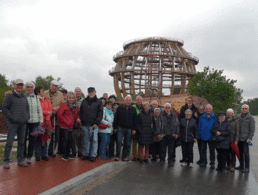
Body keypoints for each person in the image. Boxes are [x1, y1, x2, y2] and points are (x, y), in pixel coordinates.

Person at [2, 79, 30, 168]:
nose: (19, 87)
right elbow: (4, 108)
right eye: (18, 85)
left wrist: (27, 117)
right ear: (14, 85)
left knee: (22, 143)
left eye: (21, 85)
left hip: (23, 123)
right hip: (13, 123)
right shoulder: (9, 96)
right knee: (9, 143)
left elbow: (27, 108)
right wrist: (12, 118)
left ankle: (21, 160)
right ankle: (6, 161)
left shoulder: (24, 96)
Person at [80, 87, 103, 162]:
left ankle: (93, 155)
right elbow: (81, 112)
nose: (91, 93)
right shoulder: (84, 101)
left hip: (94, 125)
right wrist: (82, 121)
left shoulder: (99, 102)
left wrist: (97, 123)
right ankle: (86, 154)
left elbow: (100, 114)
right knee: (86, 140)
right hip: (85, 124)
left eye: (92, 91)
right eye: (89, 91)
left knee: (94, 140)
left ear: (95, 92)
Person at [24, 82, 43, 164]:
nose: (29, 88)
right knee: (23, 139)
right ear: (25, 88)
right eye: (28, 87)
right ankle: (22, 155)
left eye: (31, 87)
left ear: (33, 88)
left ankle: (29, 156)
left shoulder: (36, 97)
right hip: (24, 121)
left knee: (32, 139)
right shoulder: (23, 96)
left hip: (34, 121)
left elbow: (39, 109)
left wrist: (41, 120)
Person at [58, 92, 80, 160]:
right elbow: (59, 115)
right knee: (65, 140)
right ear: (67, 98)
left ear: (74, 98)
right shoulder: (63, 104)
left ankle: (68, 153)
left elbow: (77, 114)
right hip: (64, 126)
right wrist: (66, 121)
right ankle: (64, 154)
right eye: (69, 98)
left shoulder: (76, 106)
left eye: (72, 98)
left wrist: (78, 118)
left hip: (72, 126)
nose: (71, 99)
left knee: (70, 140)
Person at [44, 80, 64, 157]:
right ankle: (43, 152)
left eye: (56, 86)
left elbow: (63, 104)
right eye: (53, 85)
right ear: (50, 85)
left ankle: (51, 151)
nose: (54, 87)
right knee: (45, 134)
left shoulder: (60, 94)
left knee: (55, 135)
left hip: (56, 118)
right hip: (46, 117)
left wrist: (57, 108)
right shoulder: (45, 93)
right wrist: (50, 109)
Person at [113, 96, 137, 161]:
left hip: (129, 128)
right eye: (127, 100)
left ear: (131, 101)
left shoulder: (133, 109)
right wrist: (115, 127)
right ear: (124, 101)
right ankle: (117, 156)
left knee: (127, 143)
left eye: (129, 100)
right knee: (119, 141)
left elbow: (135, 120)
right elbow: (116, 118)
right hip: (120, 127)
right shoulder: (120, 108)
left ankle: (124, 156)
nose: (128, 101)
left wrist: (134, 129)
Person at [34, 85, 53, 161]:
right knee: (38, 139)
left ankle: (44, 154)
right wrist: (46, 113)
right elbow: (38, 111)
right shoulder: (35, 100)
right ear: (38, 92)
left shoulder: (47, 100)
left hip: (47, 122)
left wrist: (48, 118)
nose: (43, 92)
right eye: (42, 91)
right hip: (39, 122)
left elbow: (50, 110)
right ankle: (37, 155)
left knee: (45, 139)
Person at [236, 104, 255, 173]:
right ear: (241, 109)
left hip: (246, 139)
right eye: (243, 108)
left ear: (248, 109)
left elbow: (252, 129)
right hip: (239, 138)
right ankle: (241, 166)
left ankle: (247, 167)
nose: (244, 109)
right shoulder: (238, 116)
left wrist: (250, 138)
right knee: (240, 153)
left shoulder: (250, 118)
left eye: (245, 108)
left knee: (246, 153)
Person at [198, 104, 218, 168]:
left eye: (209, 108)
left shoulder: (215, 117)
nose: (208, 110)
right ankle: (204, 162)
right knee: (203, 150)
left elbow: (217, 127)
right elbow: (199, 126)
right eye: (207, 108)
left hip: (211, 137)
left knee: (212, 151)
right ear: (205, 109)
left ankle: (212, 163)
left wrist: (215, 136)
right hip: (203, 136)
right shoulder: (202, 116)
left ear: (212, 109)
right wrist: (199, 134)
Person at [73, 87, 85, 158]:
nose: (77, 92)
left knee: (81, 137)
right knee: (73, 137)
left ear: (81, 92)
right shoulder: (72, 99)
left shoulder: (84, 100)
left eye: (79, 91)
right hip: (73, 121)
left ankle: (81, 152)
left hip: (81, 121)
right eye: (76, 91)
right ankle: (74, 152)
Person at [132, 96, 143, 161]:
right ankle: (134, 156)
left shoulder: (143, 107)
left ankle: (139, 155)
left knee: (140, 142)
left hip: (141, 127)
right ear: (136, 100)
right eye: (138, 100)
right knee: (134, 142)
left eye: (140, 100)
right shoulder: (133, 107)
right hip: (134, 126)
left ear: (142, 100)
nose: (139, 101)